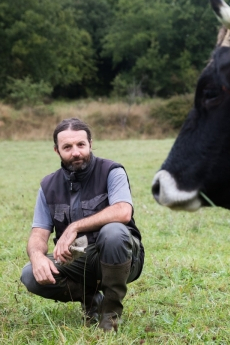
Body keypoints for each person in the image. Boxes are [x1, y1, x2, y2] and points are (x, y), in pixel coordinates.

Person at [20, 118, 144, 332]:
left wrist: (74, 227)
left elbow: (123, 211)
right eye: (67, 147)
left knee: (113, 231)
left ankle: (110, 315)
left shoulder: (112, 171)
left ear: (90, 144)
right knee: (30, 274)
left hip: (122, 255)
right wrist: (37, 256)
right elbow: (38, 234)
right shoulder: (48, 186)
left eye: (81, 145)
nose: (76, 152)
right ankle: (90, 298)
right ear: (56, 150)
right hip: (78, 258)